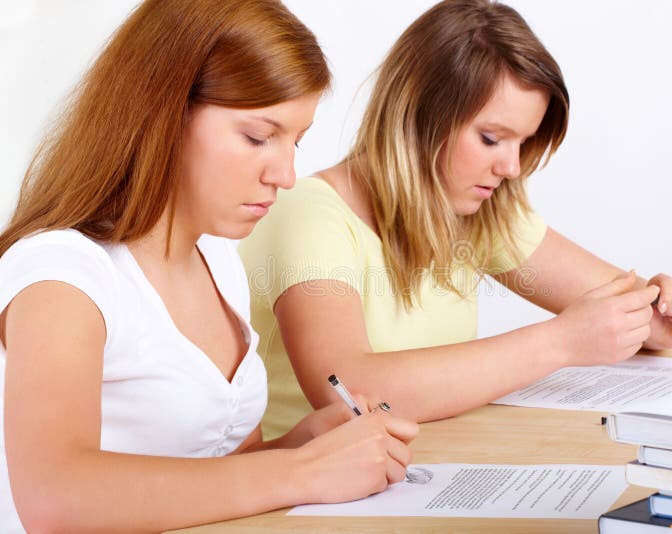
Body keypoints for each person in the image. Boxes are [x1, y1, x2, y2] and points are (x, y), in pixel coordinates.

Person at [0, 1, 418, 531]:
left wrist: (307, 444)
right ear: (162, 112)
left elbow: (208, 478)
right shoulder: (62, 275)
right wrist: (298, 471)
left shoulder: (217, 261)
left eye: (297, 140)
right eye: (258, 137)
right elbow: (54, 497)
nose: (286, 174)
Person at [239, 0, 672, 440]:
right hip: (311, 507)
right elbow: (351, 392)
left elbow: (627, 314)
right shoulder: (309, 215)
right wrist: (562, 341)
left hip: (422, 473)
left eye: (521, 142)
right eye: (491, 138)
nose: (511, 167)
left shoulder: (475, 213)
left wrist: (663, 312)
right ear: (419, 115)